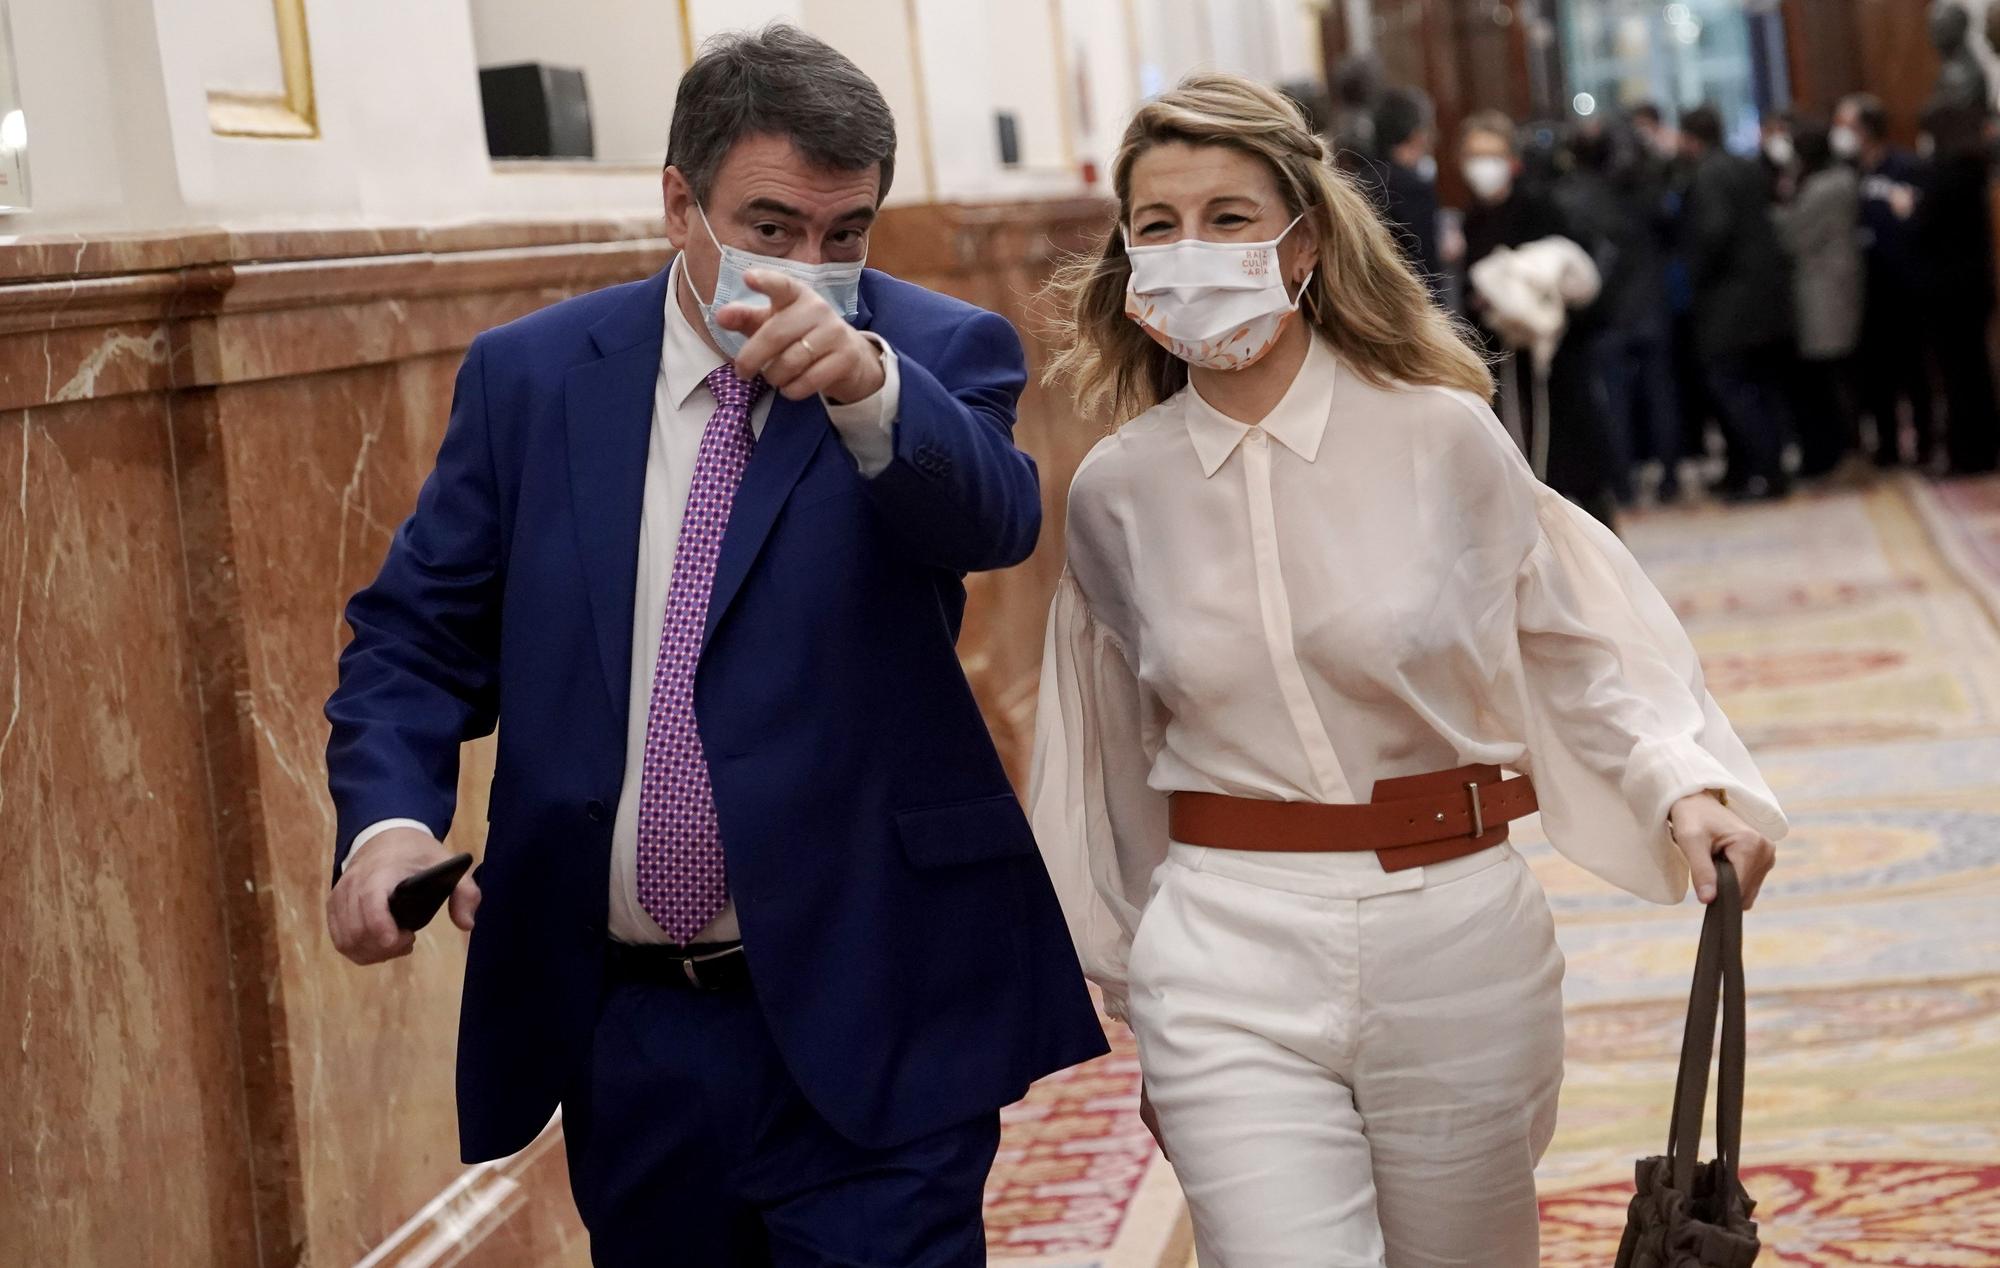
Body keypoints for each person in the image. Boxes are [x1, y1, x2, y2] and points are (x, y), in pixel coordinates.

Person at [323, 26, 1106, 1265]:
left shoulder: (938, 353)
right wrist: (386, 824)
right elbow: (413, 638)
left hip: (875, 1000)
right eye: (773, 226)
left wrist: (866, 387)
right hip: (631, 1033)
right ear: (679, 204)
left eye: (845, 234)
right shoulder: (531, 378)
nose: (809, 266)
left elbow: (993, 517)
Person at [1034, 71, 1785, 1266]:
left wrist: (1678, 779)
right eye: (1156, 225)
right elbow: (1111, 748)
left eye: (1228, 218)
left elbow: (1571, 640)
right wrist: (1130, 968)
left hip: (1452, 935)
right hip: (1224, 946)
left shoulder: (1439, 435)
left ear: (1303, 242)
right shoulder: (1117, 491)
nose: (1189, 250)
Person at [1459, 110, 1621, 525]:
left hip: (1555, 361)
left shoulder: (1539, 207)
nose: (1483, 166)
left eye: (1492, 155)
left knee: (1574, 462)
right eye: (1475, 155)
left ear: (1512, 160)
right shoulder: (1473, 218)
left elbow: (1570, 275)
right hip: (1505, 362)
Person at [1680, 104, 1795, 500]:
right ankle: (1752, 469)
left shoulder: (1710, 173)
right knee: (1759, 386)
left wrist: (1692, 274)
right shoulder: (1743, 164)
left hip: (1729, 301)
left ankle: (1765, 473)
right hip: (1760, 296)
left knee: (1732, 387)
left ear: (1689, 139)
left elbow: (1715, 232)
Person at [1838, 92, 1934, 468]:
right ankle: (1887, 446)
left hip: (1904, 284)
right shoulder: (1847, 173)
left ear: (1864, 129)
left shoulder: (1905, 166)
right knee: (1875, 374)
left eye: (1846, 126)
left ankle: (1925, 443)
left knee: (1914, 371)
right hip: (1864, 286)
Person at [1775, 122, 1864, 479]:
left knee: (1831, 380)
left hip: (1823, 290)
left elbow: (1792, 235)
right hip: (1835, 286)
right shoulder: (1841, 179)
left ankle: (1841, 452)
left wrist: (1778, 205)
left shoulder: (1822, 188)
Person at [1916, 102, 2000, 475]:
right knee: (1973, 373)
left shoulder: (1948, 174)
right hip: (1972, 286)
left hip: (1949, 291)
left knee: (1958, 377)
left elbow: (1924, 223)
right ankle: (1980, 448)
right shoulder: (1972, 170)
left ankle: (1967, 454)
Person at [1366, 87, 1445, 298]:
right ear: (1417, 134)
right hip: (1409, 302)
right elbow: (1426, 265)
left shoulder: (1365, 179)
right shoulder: (1414, 188)